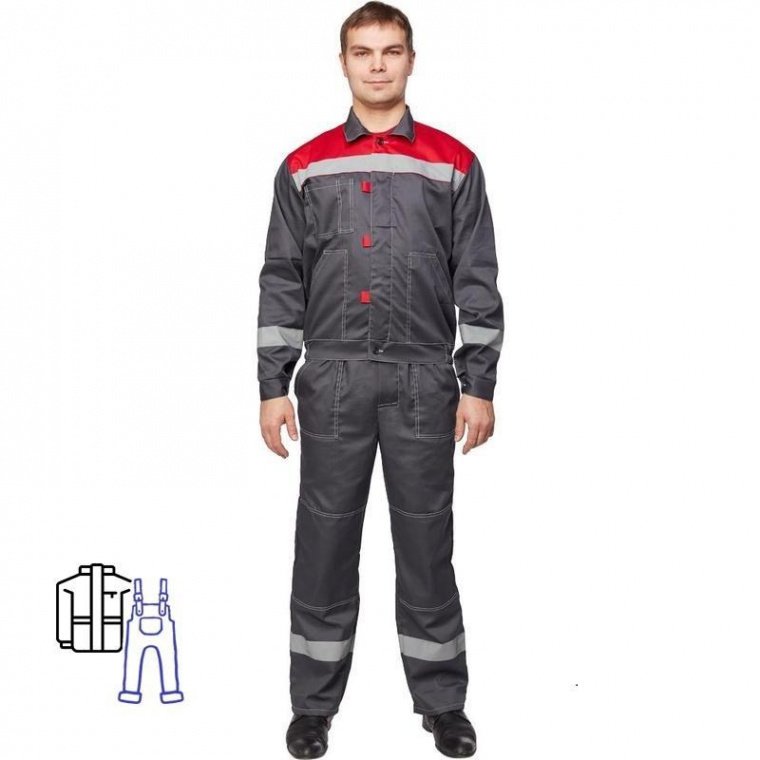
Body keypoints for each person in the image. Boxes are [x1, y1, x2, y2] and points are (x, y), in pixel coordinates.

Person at [257, 3, 504, 757]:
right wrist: (272, 385)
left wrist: (479, 383)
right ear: (343, 62)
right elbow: (282, 278)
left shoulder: (452, 162)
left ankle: (444, 704)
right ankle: (312, 708)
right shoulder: (304, 165)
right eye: (362, 52)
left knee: (427, 545)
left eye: (390, 51)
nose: (376, 64)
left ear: (410, 60)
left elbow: (477, 279)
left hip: (425, 381)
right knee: (324, 543)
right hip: (330, 380)